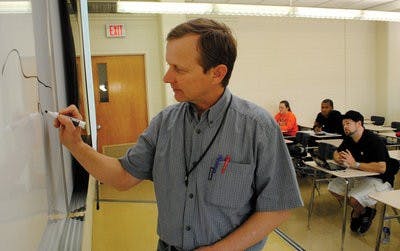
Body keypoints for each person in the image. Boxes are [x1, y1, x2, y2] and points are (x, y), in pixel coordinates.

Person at [54, 18, 303, 250]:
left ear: (217, 73)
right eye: (168, 66)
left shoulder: (257, 127)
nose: (166, 77)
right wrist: (76, 145)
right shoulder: (164, 124)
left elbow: (278, 207)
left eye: (179, 69)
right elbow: (122, 177)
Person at [328, 110, 398, 234]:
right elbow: (336, 151)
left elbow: (382, 168)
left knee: (354, 199)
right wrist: (337, 157)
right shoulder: (349, 139)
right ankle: (365, 211)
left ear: (359, 124)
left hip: (379, 179)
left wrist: (356, 164)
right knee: (333, 188)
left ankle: (357, 211)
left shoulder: (374, 140)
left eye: (348, 123)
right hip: (358, 176)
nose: (345, 127)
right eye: (344, 124)